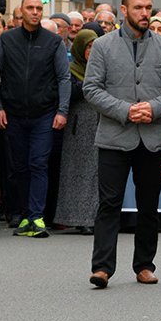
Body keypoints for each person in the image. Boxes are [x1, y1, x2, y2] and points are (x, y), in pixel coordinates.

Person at [83, 0, 161, 287]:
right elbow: (91, 88)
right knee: (109, 203)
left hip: (152, 138)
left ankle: (144, 265)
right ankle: (102, 267)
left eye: (148, 7)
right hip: (114, 136)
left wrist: (154, 108)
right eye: (138, 7)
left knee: (148, 205)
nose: (144, 13)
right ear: (124, 10)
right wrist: (125, 110)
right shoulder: (103, 46)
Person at [0, 0, 70, 237]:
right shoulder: (6, 40)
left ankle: (36, 216)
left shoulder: (53, 41)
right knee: (19, 166)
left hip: (44, 114)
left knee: (38, 163)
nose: (35, 12)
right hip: (13, 113)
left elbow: (63, 77)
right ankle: (25, 215)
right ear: (21, 11)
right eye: (30, 8)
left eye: (38, 8)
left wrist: (62, 110)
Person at [53, 27, 101, 234]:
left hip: (99, 124)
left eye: (94, 47)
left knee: (96, 174)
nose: (91, 51)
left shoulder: (103, 67)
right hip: (77, 126)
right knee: (76, 173)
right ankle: (75, 218)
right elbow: (69, 92)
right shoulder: (71, 69)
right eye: (88, 47)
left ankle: (92, 219)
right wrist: (89, 82)